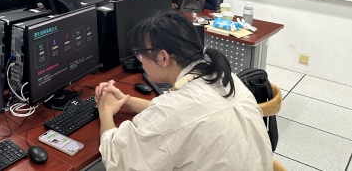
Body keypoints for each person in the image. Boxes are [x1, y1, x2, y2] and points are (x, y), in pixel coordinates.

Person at [95, 11, 272, 171]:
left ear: (163, 57)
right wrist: (126, 100)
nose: (140, 60)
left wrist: (105, 111)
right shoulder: (225, 77)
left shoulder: (173, 112)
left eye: (140, 54)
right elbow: (181, 116)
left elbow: (116, 157)